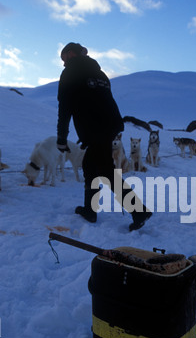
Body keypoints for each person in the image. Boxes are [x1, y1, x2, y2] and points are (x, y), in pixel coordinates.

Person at [56, 42, 151, 231]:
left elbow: (65, 107)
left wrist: (61, 138)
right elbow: (103, 102)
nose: (63, 63)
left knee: (106, 172)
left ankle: (138, 210)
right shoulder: (99, 74)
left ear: (71, 54)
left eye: (64, 58)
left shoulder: (70, 72)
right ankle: (90, 210)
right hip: (109, 126)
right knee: (90, 166)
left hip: (95, 129)